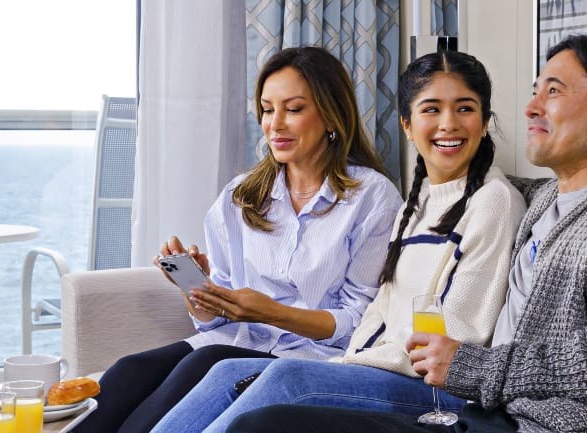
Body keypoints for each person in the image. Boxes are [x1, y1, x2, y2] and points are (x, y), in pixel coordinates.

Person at [226, 32, 587, 433]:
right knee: (259, 405)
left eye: (553, 92)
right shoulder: (552, 200)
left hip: (554, 424)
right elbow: (461, 189)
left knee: (269, 418)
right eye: (535, 90)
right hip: (496, 413)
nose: (531, 107)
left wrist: (471, 367)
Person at [151, 50, 527, 433]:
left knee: (287, 379)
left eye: (464, 109)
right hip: (377, 367)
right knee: (224, 370)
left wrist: (351, 364)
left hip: (435, 387)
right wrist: (349, 361)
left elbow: (457, 333)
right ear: (407, 125)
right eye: (432, 109)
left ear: (484, 122)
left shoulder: (494, 201)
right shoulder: (419, 202)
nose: (448, 124)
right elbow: (380, 310)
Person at [70, 46, 403, 433]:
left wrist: (270, 312)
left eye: (293, 109)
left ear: (332, 115)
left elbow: (361, 322)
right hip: (234, 341)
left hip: (311, 358)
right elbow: (213, 322)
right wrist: (198, 290)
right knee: (130, 370)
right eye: (267, 109)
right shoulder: (241, 196)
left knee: (203, 364)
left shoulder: (372, 198)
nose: (275, 124)